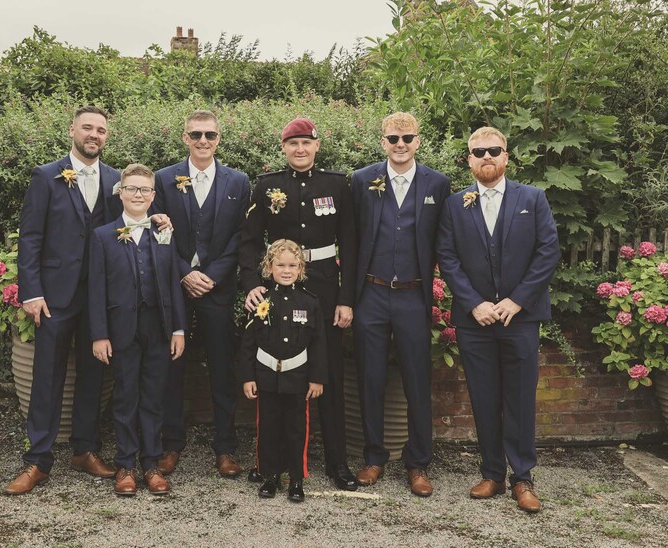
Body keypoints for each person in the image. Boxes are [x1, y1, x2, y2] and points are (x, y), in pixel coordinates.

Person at [436, 126, 559, 513]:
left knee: (520, 399)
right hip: (475, 322)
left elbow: (547, 252)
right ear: (469, 159)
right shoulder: (456, 204)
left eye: (494, 150)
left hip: (520, 320)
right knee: (484, 397)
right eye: (479, 151)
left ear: (506, 156)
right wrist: (473, 303)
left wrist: (517, 300)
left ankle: (523, 478)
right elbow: (447, 257)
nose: (486, 156)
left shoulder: (533, 198)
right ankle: (492, 473)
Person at [5, 105, 123, 494]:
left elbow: (126, 224)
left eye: (101, 130)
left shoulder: (115, 179)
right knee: (48, 376)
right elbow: (31, 237)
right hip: (54, 296)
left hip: (98, 296)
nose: (94, 135)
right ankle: (37, 460)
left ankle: (84, 450)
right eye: (87, 128)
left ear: (107, 136)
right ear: (72, 129)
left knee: (93, 375)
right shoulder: (46, 176)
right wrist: (32, 292)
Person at [239, 117, 358, 491]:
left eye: (306, 143)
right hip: (277, 293)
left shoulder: (337, 185)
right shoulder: (267, 185)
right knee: (276, 383)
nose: (300, 149)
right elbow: (249, 241)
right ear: (284, 148)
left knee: (330, 379)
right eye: (293, 144)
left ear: (317, 145)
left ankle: (338, 463)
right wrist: (252, 285)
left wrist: (346, 299)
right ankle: (270, 462)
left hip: (322, 288)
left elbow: (351, 246)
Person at [350, 112, 451, 496]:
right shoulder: (362, 180)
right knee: (370, 377)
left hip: (413, 294)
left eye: (407, 138)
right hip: (372, 293)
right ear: (383, 142)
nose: (400, 144)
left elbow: (444, 240)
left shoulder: (437, 184)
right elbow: (353, 236)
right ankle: (374, 457)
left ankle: (418, 463)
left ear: (418, 141)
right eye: (393, 138)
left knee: (416, 379)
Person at [152, 110, 251, 478]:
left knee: (222, 368)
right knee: (171, 365)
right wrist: (184, 273)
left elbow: (242, 236)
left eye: (210, 135)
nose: (203, 141)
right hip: (176, 288)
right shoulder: (164, 179)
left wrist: (211, 276)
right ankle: (171, 444)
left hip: (217, 289)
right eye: (196, 135)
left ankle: (225, 448)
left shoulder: (238, 182)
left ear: (219, 139)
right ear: (185, 138)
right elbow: (157, 233)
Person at [88, 163, 186, 496]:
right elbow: (96, 290)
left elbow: (173, 283)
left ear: (154, 195)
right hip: (121, 329)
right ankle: (125, 464)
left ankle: (151, 463)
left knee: (154, 397)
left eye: (145, 189)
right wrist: (99, 334)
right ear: (120, 193)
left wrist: (179, 330)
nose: (138, 195)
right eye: (131, 188)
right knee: (126, 396)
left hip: (158, 327)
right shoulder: (103, 236)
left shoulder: (163, 232)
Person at [239, 239, 328, 502]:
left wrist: (317, 379)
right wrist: (247, 377)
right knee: (268, 427)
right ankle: (270, 475)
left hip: (298, 377)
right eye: (280, 265)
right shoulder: (260, 300)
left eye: (292, 265)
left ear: (301, 268)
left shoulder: (310, 302)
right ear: (269, 267)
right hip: (266, 376)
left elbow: (319, 344)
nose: (286, 270)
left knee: (296, 429)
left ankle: (296, 479)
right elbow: (247, 343)